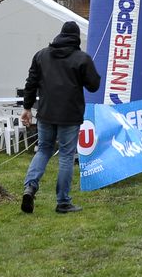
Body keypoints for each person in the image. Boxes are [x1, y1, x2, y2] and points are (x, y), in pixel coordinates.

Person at [20, 21, 101, 214]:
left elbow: (31, 83)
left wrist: (27, 107)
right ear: (76, 38)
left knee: (43, 150)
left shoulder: (41, 55)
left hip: (46, 113)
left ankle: (30, 187)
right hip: (70, 115)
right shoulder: (82, 59)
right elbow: (94, 86)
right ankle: (63, 202)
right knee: (66, 155)